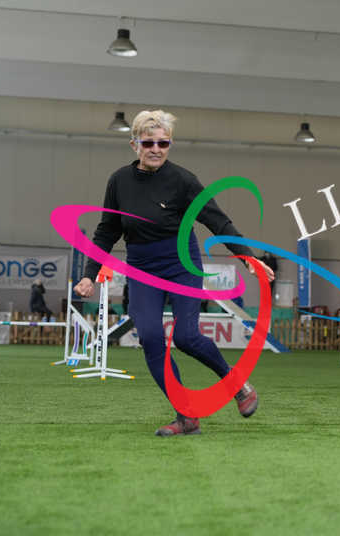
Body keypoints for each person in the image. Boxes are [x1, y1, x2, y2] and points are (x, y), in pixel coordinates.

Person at [73, 110, 275, 437]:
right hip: (142, 268)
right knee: (151, 337)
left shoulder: (183, 180)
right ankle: (186, 415)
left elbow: (217, 220)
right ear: (134, 144)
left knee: (186, 337)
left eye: (163, 143)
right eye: (148, 142)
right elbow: (107, 230)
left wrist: (247, 257)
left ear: (170, 144)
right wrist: (89, 274)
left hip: (181, 263)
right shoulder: (119, 181)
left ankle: (237, 385)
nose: (156, 149)